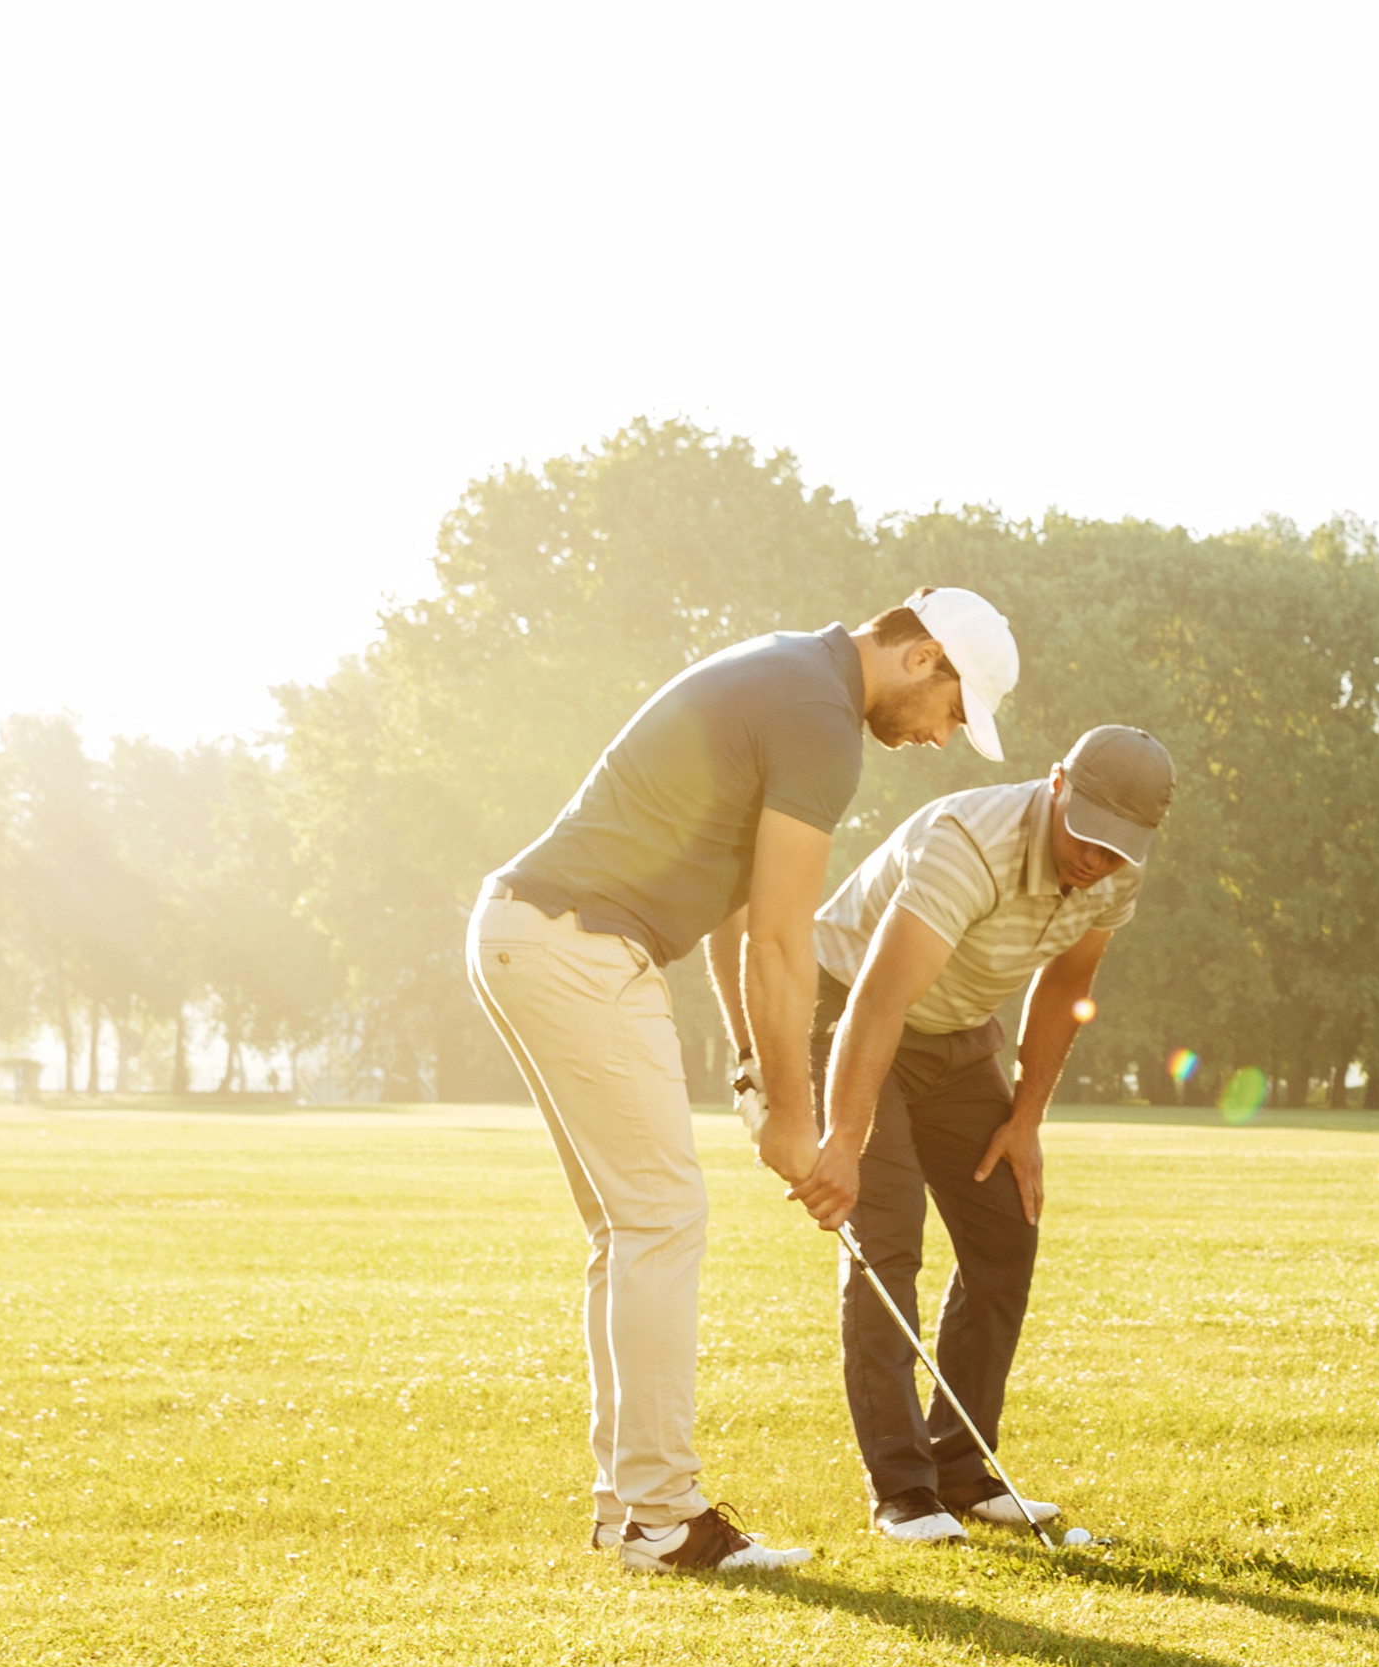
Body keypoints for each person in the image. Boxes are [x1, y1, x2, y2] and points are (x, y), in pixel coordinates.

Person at [463, 593, 1017, 1572]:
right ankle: (664, 1517)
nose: (942, 739)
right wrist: (795, 1119)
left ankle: (627, 1506)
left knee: (628, 1229)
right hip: (579, 942)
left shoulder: (792, 674)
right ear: (922, 656)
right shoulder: (819, 719)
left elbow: (737, 914)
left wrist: (760, 1068)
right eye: (953, 712)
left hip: (528, 932)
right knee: (662, 1219)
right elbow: (783, 940)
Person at [788, 723, 1172, 1540]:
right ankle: (903, 1492)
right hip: (850, 1014)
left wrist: (1025, 1118)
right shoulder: (967, 842)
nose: (1095, 860)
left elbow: (1069, 981)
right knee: (887, 1241)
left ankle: (963, 1470)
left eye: (1118, 849)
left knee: (1005, 1233)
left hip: (958, 1036)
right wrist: (842, 1141)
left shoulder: (1113, 873)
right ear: (1057, 780)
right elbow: (879, 1002)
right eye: (1088, 834)